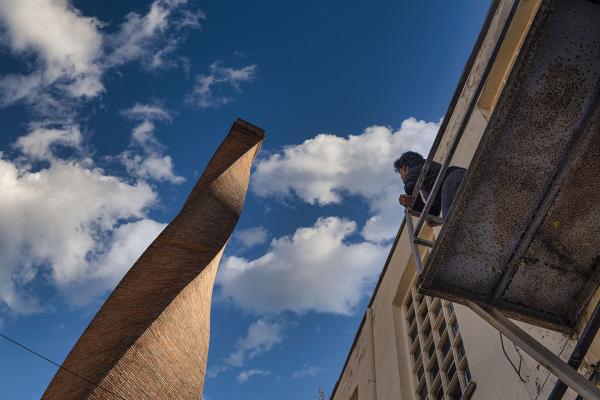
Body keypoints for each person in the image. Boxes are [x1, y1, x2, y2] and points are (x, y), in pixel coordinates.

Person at [394, 151, 466, 220]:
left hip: (453, 179)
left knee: (451, 223)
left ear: (404, 167)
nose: (401, 177)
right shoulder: (428, 182)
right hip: (458, 178)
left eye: (401, 173)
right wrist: (430, 218)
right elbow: (433, 211)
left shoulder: (416, 164)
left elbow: (410, 186)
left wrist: (411, 200)